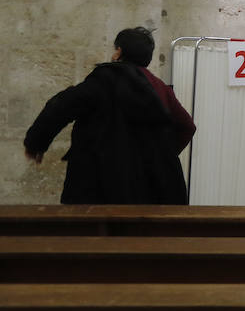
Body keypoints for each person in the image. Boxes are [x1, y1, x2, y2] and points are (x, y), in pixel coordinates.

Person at [24, 27, 194, 205]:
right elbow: (187, 126)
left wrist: (36, 142)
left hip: (100, 184)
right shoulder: (160, 88)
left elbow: (62, 105)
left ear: (118, 52)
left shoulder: (105, 80)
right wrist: (161, 155)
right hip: (150, 189)